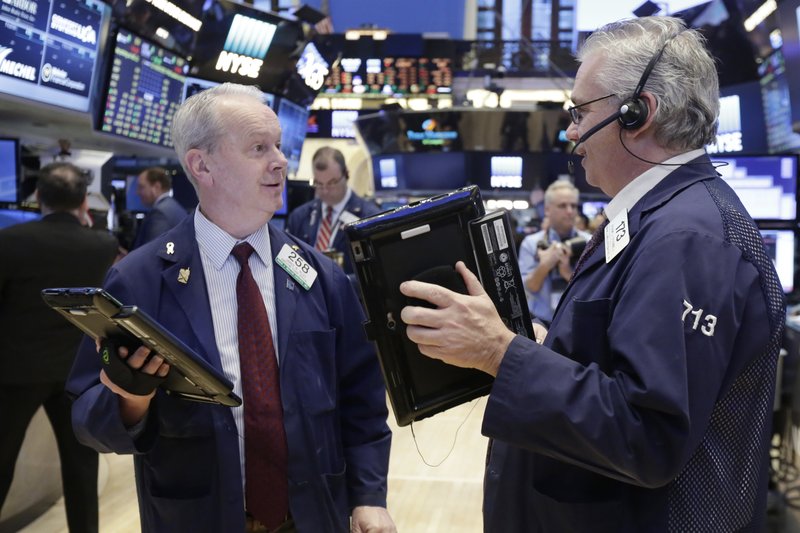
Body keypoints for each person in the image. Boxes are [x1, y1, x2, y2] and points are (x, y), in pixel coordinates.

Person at [398, 16, 784, 532]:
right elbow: (623, 368)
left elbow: (647, 435)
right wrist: (540, 347)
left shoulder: (686, 240)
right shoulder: (661, 219)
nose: (571, 131)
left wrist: (500, 353)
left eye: (580, 112)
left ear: (636, 113)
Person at [66, 83, 395, 533]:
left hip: (314, 514)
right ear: (202, 165)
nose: (280, 160)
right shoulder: (140, 279)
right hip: (196, 517)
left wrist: (369, 496)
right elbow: (86, 420)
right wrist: (131, 402)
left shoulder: (319, 274)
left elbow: (362, 400)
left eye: (278, 145)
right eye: (259, 148)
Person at [0, 162, 118, 532]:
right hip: (77, 373)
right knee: (82, 468)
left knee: (1, 463)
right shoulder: (103, 244)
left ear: (37, 197)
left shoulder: (10, 241)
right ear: (84, 201)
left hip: (15, 371)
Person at [286, 146, 381, 275]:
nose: (325, 191)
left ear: (346, 174)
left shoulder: (369, 218)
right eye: (319, 183)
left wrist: (341, 284)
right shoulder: (299, 216)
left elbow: (375, 272)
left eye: (332, 183)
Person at [517, 180, 590, 324]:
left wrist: (568, 273)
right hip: (542, 322)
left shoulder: (590, 242)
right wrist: (544, 266)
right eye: (562, 206)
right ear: (547, 209)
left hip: (577, 321)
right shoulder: (531, 243)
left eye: (573, 206)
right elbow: (530, 288)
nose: (570, 211)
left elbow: (593, 290)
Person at [130, 166, 187, 249]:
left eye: (141, 187)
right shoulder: (174, 207)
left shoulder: (160, 213)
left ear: (156, 187)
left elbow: (152, 253)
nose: (138, 192)